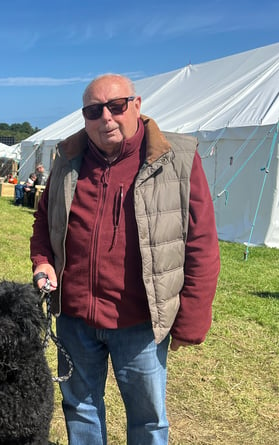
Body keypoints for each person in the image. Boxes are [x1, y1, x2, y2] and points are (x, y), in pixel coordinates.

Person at [30, 73, 220, 445]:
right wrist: (42, 262)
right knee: (80, 408)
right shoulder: (67, 159)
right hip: (75, 317)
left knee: (148, 418)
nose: (106, 118)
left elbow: (201, 241)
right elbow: (43, 220)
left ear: (136, 105)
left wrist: (192, 319)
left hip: (140, 321)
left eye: (116, 106)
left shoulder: (178, 158)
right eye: (93, 110)